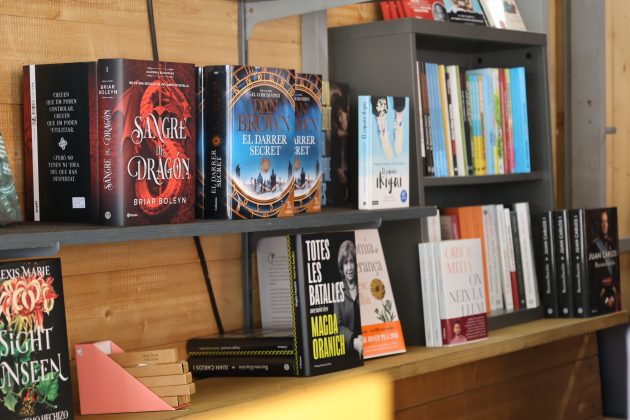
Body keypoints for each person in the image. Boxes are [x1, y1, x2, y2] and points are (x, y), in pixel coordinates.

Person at [333, 240, 363, 359]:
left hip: (370, 345)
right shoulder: (338, 290)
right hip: (349, 351)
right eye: (346, 263)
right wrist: (354, 341)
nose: (349, 268)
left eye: (351, 261)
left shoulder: (364, 284)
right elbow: (337, 326)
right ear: (342, 266)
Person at [590, 209, 620, 312]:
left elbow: (615, 271)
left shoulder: (612, 243)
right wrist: (606, 299)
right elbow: (594, 276)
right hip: (601, 297)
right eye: (602, 222)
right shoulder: (595, 245)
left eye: (606, 221)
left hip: (612, 295)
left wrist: (612, 298)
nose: (604, 225)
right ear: (599, 224)